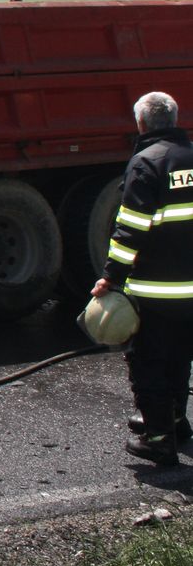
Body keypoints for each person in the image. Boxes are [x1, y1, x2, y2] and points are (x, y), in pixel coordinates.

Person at [91, 91, 193, 466]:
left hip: (155, 291)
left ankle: (159, 439)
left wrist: (110, 279)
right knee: (181, 355)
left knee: (149, 361)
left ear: (141, 124)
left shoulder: (146, 163)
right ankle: (176, 421)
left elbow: (130, 230)